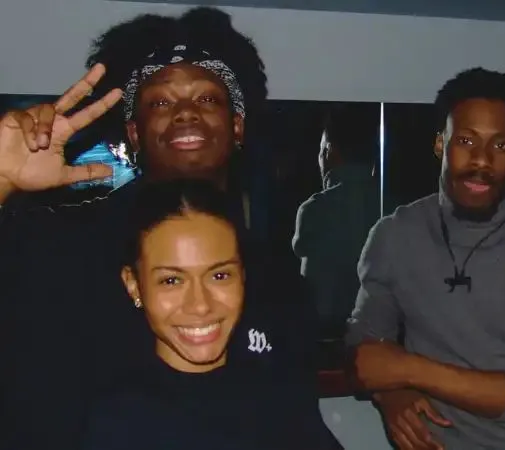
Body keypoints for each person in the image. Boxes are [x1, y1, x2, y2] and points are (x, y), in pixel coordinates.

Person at [0, 8, 331, 450]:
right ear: (134, 134)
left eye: (208, 99)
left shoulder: (273, 272)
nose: (185, 114)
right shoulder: (61, 244)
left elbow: (295, 414)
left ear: (238, 126)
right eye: (160, 102)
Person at [346, 67, 505, 450]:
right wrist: (391, 395)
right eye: (466, 140)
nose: (482, 160)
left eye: (500, 145)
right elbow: (363, 347)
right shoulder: (396, 234)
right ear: (439, 144)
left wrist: (411, 371)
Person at [82, 180, 340, 449]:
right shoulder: (119, 421)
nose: (200, 305)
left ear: (242, 275)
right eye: (171, 280)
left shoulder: (280, 394)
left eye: (219, 275)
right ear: (134, 285)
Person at [293, 106, 381, 338]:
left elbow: (313, 290)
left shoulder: (315, 209)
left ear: (330, 152)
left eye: (321, 150)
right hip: (382, 332)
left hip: (328, 334)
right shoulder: (395, 206)